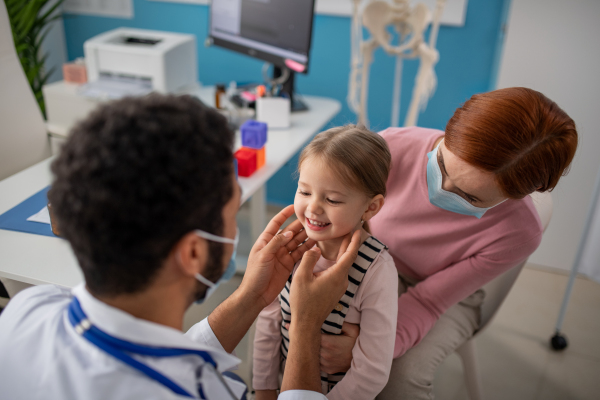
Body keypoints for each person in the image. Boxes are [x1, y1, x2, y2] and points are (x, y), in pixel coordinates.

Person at [0, 94, 362, 400]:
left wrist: (252, 295)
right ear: (193, 253)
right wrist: (305, 324)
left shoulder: (29, 308)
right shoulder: (197, 391)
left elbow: (149, 354)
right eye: (233, 210)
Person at [317, 87, 579, 399]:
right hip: (372, 255)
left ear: (519, 194)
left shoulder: (519, 233)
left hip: (446, 294)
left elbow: (429, 301)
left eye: (470, 197)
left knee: (401, 379)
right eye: (441, 165)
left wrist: (371, 348)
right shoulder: (392, 147)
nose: (441, 189)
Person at [253, 126, 399, 400]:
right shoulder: (288, 249)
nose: (313, 208)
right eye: (305, 192)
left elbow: (372, 371)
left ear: (371, 207)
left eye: (332, 199)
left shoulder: (377, 271)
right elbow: (268, 326)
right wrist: (264, 390)